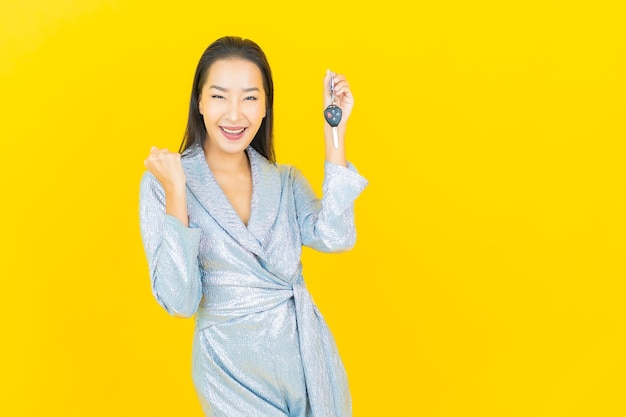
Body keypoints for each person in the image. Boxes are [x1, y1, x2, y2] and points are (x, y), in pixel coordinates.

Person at [139, 36, 367, 417]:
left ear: (265, 107)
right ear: (198, 101)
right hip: (230, 371)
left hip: (308, 362)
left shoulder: (285, 181)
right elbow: (180, 301)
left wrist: (336, 133)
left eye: (249, 97)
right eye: (219, 96)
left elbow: (338, 236)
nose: (234, 114)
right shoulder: (165, 181)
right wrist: (178, 192)